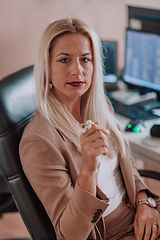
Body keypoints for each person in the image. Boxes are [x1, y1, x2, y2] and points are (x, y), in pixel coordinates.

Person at [19, 18, 160, 240]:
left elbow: (126, 162)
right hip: (111, 234)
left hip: (138, 212)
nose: (78, 70)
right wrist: (88, 170)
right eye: (64, 60)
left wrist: (144, 201)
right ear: (47, 66)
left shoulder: (99, 104)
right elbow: (69, 235)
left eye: (85, 59)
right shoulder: (38, 141)